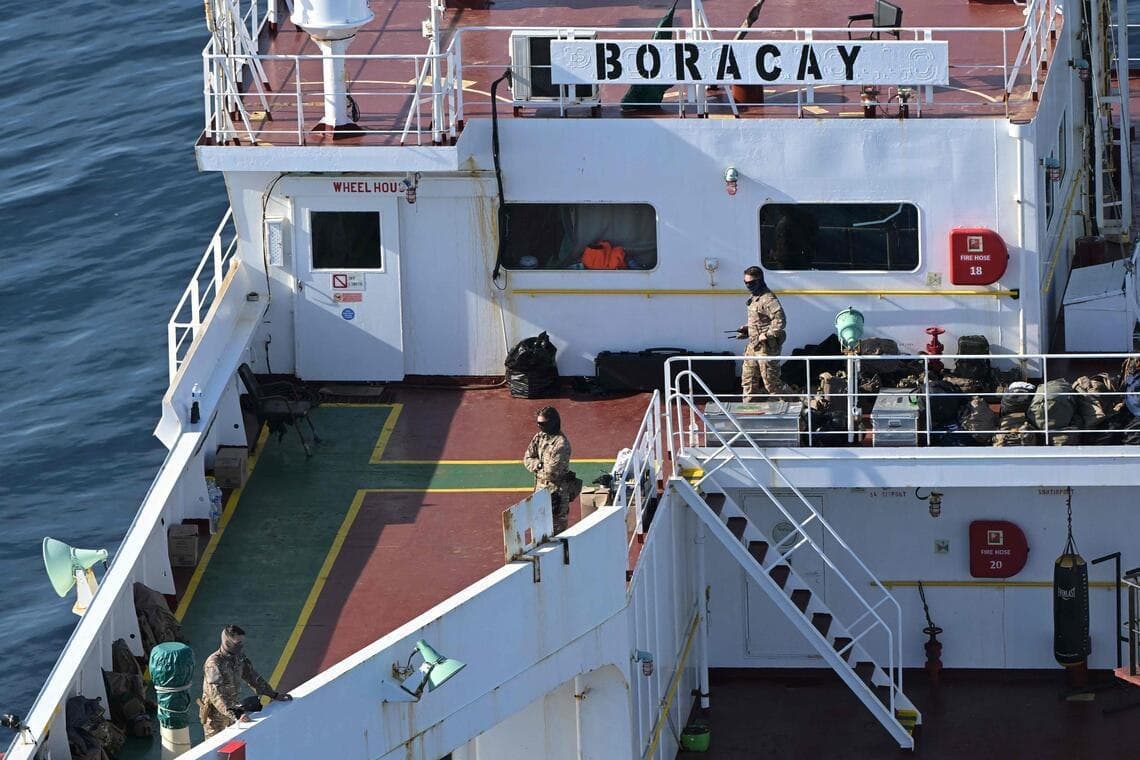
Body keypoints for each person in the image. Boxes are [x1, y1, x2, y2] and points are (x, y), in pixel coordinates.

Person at [199, 625, 291, 738]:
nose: (241, 646)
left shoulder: (239, 657)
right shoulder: (213, 664)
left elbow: (253, 677)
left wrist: (273, 694)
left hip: (233, 713)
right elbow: (216, 694)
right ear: (227, 642)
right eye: (238, 643)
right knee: (214, 749)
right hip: (215, 718)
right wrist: (236, 714)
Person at [738, 266, 791, 402]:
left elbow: (780, 321)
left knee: (772, 384)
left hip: (766, 348)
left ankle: (797, 406)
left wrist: (766, 335)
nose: (749, 286)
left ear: (760, 281)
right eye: (746, 283)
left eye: (752, 283)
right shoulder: (755, 297)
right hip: (753, 346)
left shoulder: (768, 298)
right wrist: (747, 329)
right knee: (748, 381)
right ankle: (749, 414)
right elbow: (760, 321)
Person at [523, 406, 579, 534]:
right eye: (538, 423)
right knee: (538, 532)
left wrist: (538, 467)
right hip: (539, 492)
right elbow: (527, 458)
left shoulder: (561, 444)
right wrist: (538, 465)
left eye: (542, 423)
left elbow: (551, 473)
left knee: (557, 536)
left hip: (556, 496)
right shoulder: (540, 437)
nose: (539, 426)